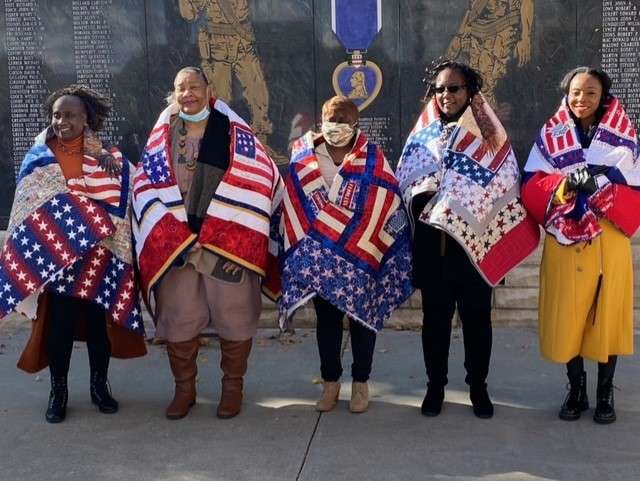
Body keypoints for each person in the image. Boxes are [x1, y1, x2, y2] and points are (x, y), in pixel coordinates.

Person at [133, 67, 282, 420]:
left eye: (194, 86)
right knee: (178, 318)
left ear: (209, 89)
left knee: (236, 316)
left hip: (227, 245)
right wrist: (169, 233)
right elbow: (145, 185)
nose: (188, 94)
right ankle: (184, 389)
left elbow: (259, 181)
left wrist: (233, 237)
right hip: (177, 245)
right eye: (181, 88)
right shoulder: (163, 135)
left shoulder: (233, 132)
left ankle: (233, 388)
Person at [396, 60, 539, 418]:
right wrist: (425, 193)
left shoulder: (489, 135)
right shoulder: (422, 137)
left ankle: (478, 386)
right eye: (439, 89)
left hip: (475, 247)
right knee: (435, 321)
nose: (446, 95)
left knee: (477, 321)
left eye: (454, 88)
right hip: (433, 247)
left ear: (470, 91)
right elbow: (405, 180)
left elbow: (505, 183)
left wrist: (460, 198)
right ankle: (435, 386)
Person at [0, 85, 147, 423]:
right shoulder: (39, 156)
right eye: (57, 115)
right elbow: (26, 205)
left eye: (70, 115)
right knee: (60, 329)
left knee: (98, 327)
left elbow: (126, 198)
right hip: (57, 256)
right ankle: (59, 392)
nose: (62, 121)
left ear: (86, 119)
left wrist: (108, 165)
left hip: (99, 254)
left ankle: (99, 387)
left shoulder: (109, 157)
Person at [278, 96, 414, 413]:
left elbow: (387, 199)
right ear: (321, 120)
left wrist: (379, 241)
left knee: (362, 321)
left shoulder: (372, 157)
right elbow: (293, 201)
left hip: (361, 256)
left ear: (355, 124)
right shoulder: (303, 153)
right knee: (327, 324)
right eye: (330, 119)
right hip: (320, 259)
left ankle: (361, 383)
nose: (335, 125)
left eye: (342, 120)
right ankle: (330, 383)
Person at [522, 67, 639, 424]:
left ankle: (605, 394)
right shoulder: (551, 134)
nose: (581, 99)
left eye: (590, 92)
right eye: (575, 92)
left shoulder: (624, 134)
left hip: (608, 237)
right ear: (566, 93)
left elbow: (634, 185)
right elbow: (531, 182)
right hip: (565, 237)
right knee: (568, 316)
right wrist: (565, 186)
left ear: (603, 96)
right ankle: (576, 389)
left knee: (606, 316)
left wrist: (603, 187)